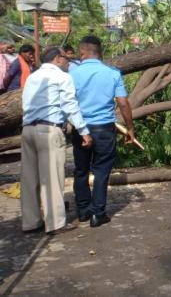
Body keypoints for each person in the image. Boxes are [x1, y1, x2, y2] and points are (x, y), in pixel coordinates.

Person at [21, 47, 93, 234]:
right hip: (49, 129)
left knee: (29, 178)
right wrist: (83, 130)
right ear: (57, 59)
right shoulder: (62, 77)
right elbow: (70, 105)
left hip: (28, 129)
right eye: (66, 57)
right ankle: (55, 223)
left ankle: (31, 222)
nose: (69, 60)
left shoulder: (32, 77)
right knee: (51, 177)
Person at [70, 35, 134, 228]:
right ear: (100, 53)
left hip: (80, 129)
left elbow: (68, 102)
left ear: (82, 53)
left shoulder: (72, 74)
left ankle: (83, 211)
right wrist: (130, 128)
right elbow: (123, 102)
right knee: (101, 171)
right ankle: (98, 214)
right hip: (105, 129)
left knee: (81, 170)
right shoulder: (112, 73)